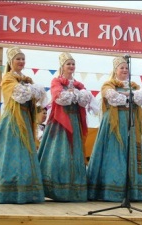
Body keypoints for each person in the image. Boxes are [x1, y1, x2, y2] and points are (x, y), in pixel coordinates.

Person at [0, 46, 47, 203]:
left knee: (26, 153)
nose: (21, 61)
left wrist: (32, 89)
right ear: (11, 62)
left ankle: (25, 191)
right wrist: (33, 90)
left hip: (26, 119)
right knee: (11, 152)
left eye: (23, 59)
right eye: (18, 59)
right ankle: (8, 190)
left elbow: (39, 96)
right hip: (13, 120)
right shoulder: (7, 78)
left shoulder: (26, 79)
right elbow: (20, 94)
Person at [87, 56, 142, 202]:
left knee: (130, 153)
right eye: (121, 68)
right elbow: (113, 98)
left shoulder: (134, 86)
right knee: (114, 152)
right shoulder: (109, 84)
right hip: (114, 124)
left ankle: (131, 192)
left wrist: (128, 95)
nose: (124, 70)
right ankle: (110, 190)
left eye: (126, 68)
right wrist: (130, 96)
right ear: (115, 70)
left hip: (130, 122)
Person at [38, 52, 98, 202]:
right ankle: (55, 189)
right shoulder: (56, 81)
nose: (71, 66)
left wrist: (74, 93)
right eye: (68, 64)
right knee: (60, 152)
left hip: (74, 120)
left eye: (73, 64)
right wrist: (76, 94)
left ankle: (73, 190)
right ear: (62, 67)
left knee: (75, 153)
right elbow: (60, 98)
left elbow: (86, 99)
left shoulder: (78, 84)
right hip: (60, 122)